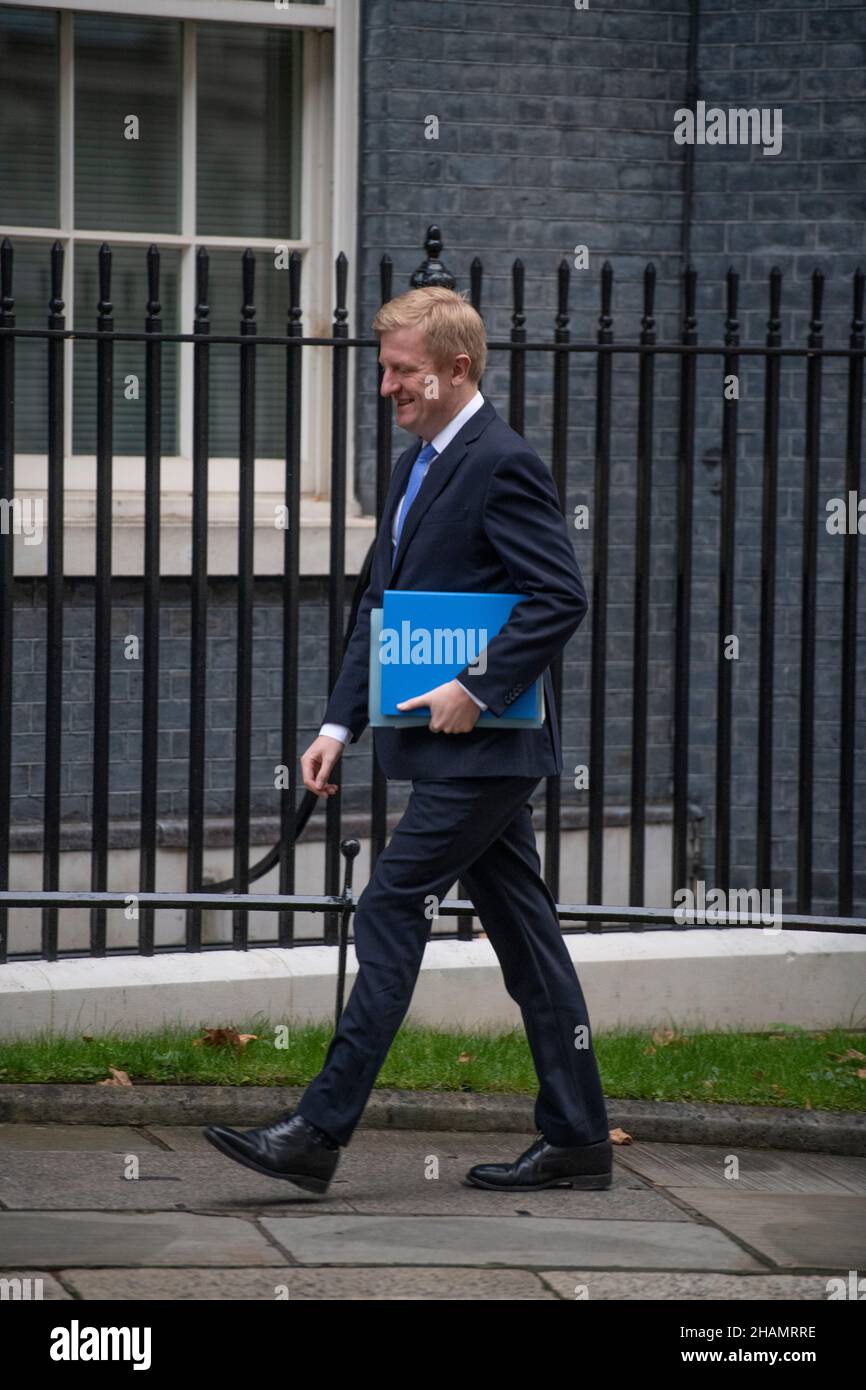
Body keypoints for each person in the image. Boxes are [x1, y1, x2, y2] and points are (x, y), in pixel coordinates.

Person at [205, 287, 611, 1194]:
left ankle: (318, 1128)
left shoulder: (501, 462)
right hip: (471, 755)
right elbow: (379, 611)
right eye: (383, 369)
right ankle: (579, 1136)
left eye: (400, 370)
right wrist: (336, 725)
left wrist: (476, 685)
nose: (385, 385)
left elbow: (561, 596)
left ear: (456, 369)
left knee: (389, 906)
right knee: (528, 935)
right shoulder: (415, 464)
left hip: (489, 749)